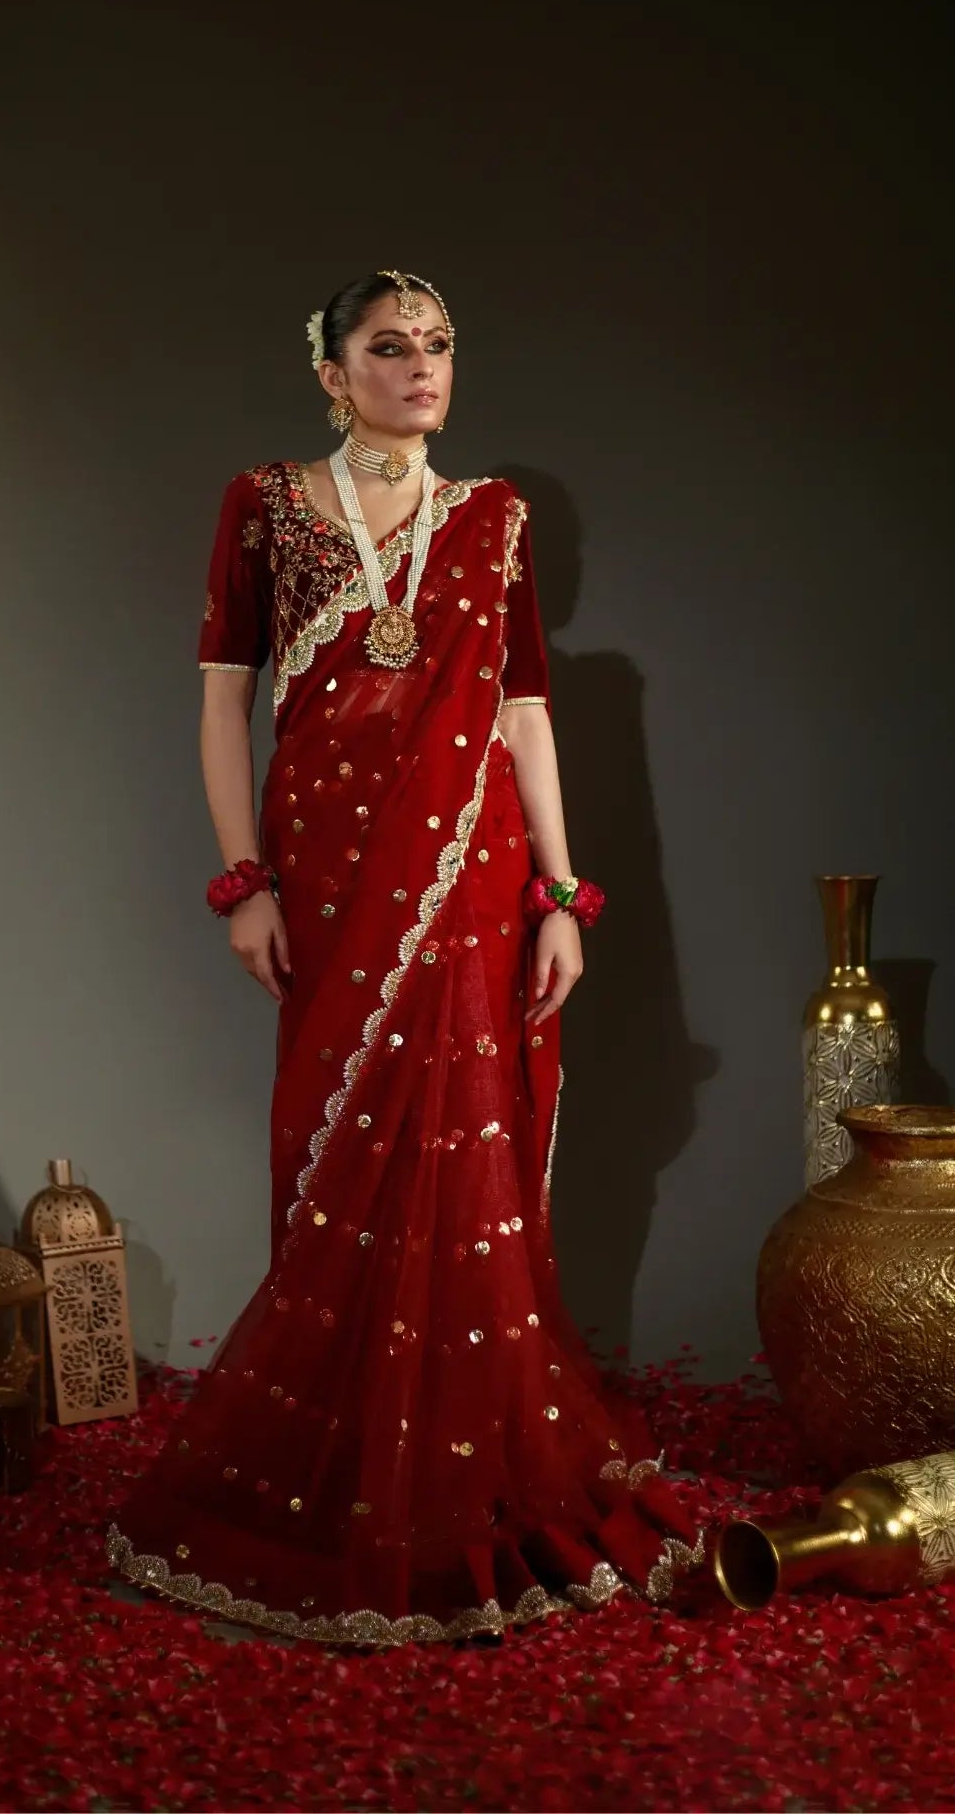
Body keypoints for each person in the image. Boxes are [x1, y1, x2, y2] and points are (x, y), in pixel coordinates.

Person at [107, 269, 703, 1646]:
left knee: (463, 1154)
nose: (422, 368)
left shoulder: (492, 519)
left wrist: (563, 891)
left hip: (472, 875)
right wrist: (240, 881)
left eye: (439, 347)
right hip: (323, 877)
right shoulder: (266, 505)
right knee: (339, 1143)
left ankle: (462, 1476)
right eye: (390, 348)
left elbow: (524, 709)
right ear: (330, 370)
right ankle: (345, 1479)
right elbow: (220, 703)